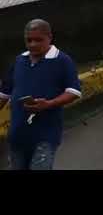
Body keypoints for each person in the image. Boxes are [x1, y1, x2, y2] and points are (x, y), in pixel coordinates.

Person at [0, 19, 81, 170]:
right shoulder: (19, 61)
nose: (33, 44)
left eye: (38, 40)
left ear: (49, 37)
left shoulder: (62, 60)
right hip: (17, 134)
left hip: (45, 135)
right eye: (29, 40)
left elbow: (73, 92)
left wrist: (48, 104)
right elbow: (4, 93)